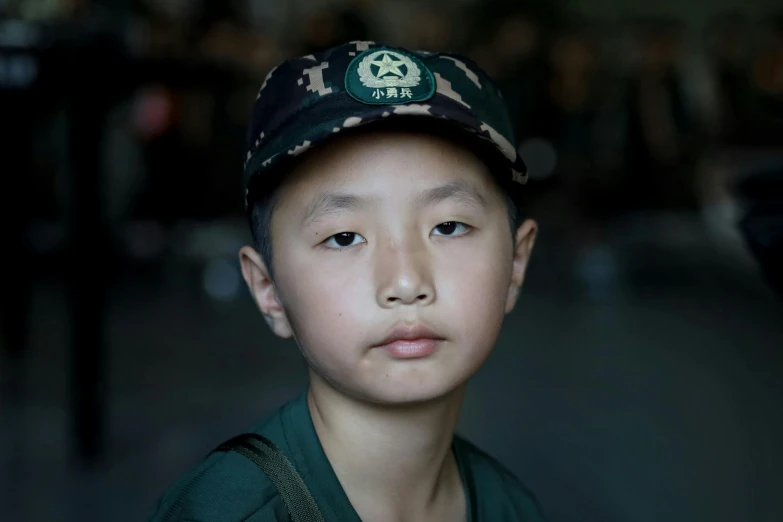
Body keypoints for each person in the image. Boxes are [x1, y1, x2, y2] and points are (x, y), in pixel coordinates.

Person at [148, 41, 545, 522]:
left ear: (516, 263)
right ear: (268, 290)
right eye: (343, 237)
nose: (404, 281)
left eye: (448, 226)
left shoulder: (512, 509)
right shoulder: (224, 513)